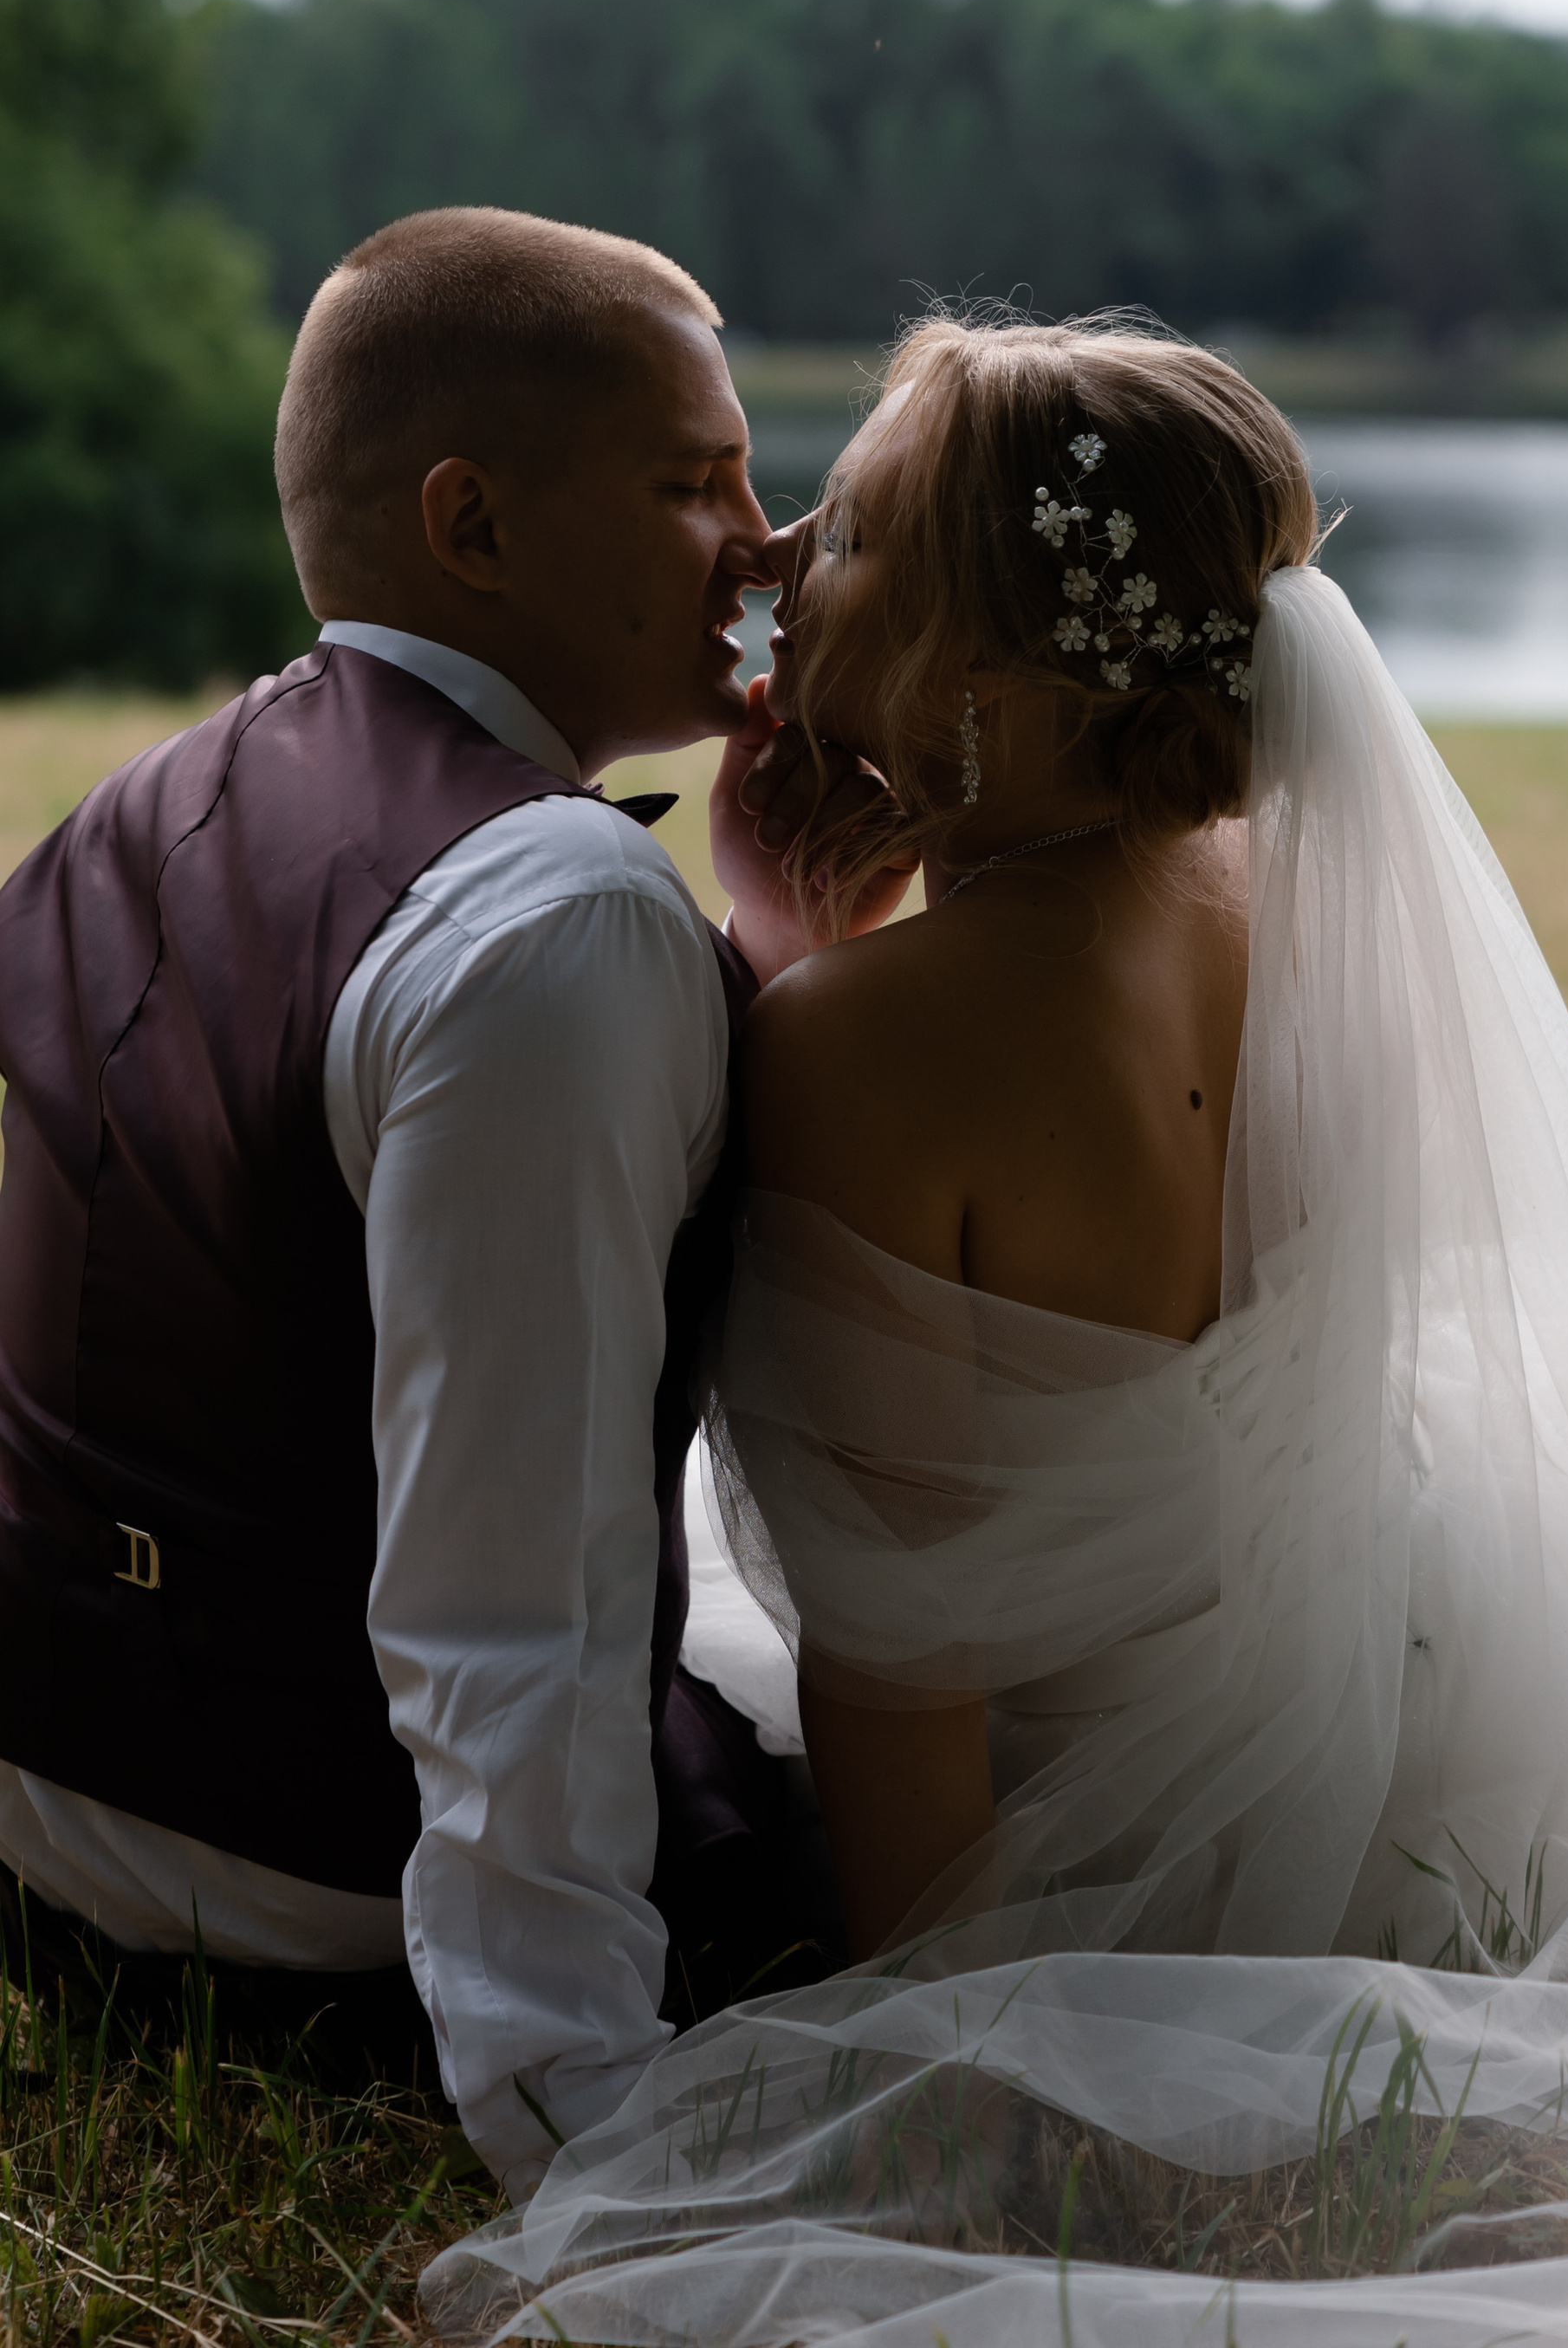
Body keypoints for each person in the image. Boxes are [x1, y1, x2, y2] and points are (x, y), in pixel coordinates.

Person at [444, 311, 1568, 2348]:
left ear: (989, 672)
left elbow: (898, 1652)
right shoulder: (1280, 901)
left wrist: (954, 2043)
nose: (766, 571)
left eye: (842, 540)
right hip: (1408, 1701)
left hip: (1102, 1819)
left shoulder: (870, 1046)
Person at [0, 206, 902, 2195]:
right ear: (472, 528)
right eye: (696, 483)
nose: (771, 544)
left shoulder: (141, 799)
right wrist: (577, 2102)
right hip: (315, 1855)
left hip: (51, 1787)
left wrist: (772, 931)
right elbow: (518, 1597)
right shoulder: (558, 916)